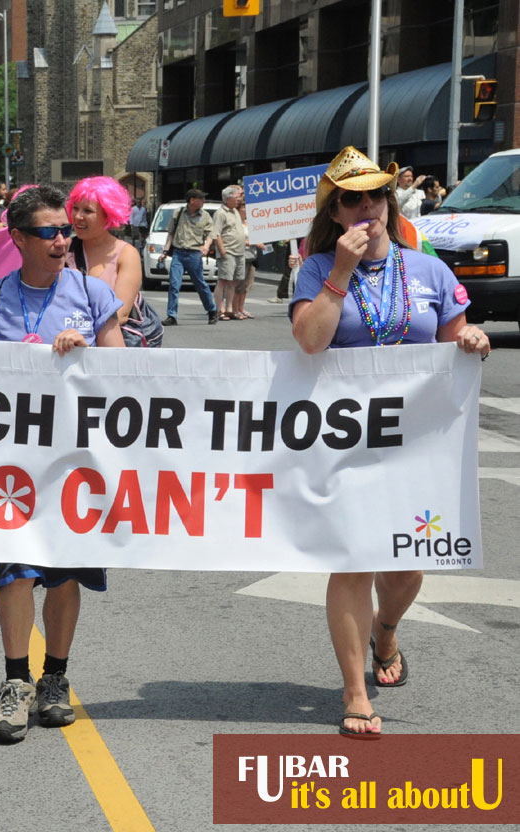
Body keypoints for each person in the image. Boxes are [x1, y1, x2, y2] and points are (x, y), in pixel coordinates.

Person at [289, 146, 490, 738]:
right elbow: (309, 342)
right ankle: (355, 692)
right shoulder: (316, 268)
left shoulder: (428, 269)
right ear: (336, 210)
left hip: (419, 443)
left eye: (374, 195)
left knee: (407, 564)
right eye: (351, 199)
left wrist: (471, 337)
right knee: (352, 562)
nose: (365, 208)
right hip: (344, 442)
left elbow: (454, 334)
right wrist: (340, 274)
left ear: (387, 202)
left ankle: (386, 629)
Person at [0, 184, 125, 744]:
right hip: (11, 464)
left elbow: (120, 372)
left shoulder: (93, 293)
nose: (63, 239)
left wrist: (88, 353)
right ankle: (15, 681)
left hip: (75, 456)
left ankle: (55, 676)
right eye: (50, 231)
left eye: (67, 230)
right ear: (18, 239)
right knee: (15, 570)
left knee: (64, 572)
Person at [66, 176, 142, 325]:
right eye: (75, 208)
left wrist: (82, 331)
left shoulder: (127, 254)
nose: (78, 216)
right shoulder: (63, 248)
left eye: (87, 211)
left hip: (104, 343)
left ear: (108, 215)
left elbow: (120, 314)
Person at [160, 188, 219, 326]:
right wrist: (165, 251)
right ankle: (171, 315)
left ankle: (211, 310)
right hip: (179, 253)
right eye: (201, 198)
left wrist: (206, 246)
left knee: (200, 284)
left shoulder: (205, 216)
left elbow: (211, 234)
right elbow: (171, 233)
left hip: (194, 254)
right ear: (192, 200)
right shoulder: (178, 213)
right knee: (174, 284)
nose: (203, 201)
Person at [212, 185, 246, 320]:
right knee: (223, 280)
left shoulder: (235, 212)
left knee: (233, 282)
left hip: (239, 252)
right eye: (236, 197)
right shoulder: (220, 213)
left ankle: (229, 308)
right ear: (228, 198)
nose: (239, 200)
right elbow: (216, 233)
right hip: (228, 251)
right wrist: (223, 251)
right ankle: (219, 309)